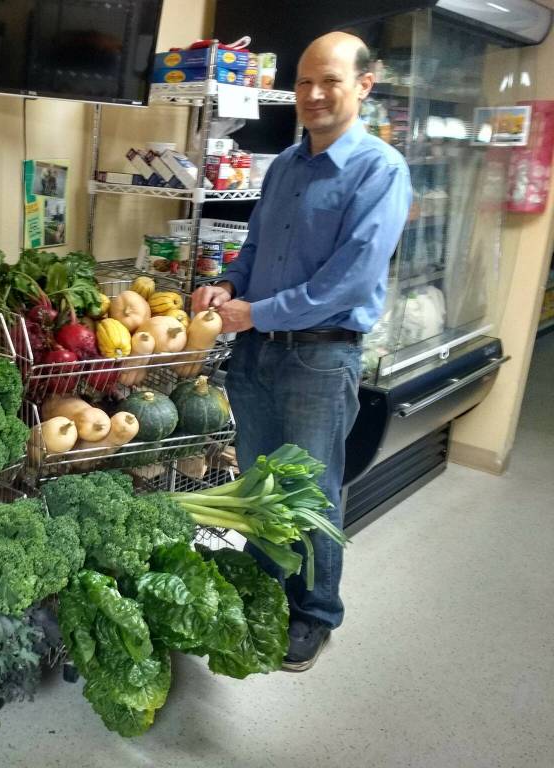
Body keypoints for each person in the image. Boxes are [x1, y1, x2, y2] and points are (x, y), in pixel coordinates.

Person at [211, 32, 412, 671]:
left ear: (363, 85)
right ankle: (267, 592)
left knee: (314, 491)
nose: (314, 95)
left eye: (329, 80)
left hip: (320, 359)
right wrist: (226, 284)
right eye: (303, 83)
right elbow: (253, 249)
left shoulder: (380, 171)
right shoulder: (286, 167)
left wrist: (254, 312)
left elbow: (346, 283)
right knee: (260, 486)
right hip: (255, 354)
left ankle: (316, 612)